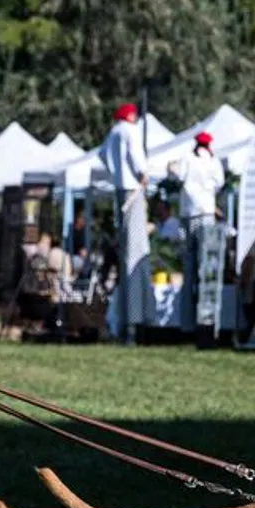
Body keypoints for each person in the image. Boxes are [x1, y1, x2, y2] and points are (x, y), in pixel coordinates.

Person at [99, 103, 151, 339]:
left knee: (127, 254)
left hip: (121, 189)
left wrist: (116, 173)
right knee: (136, 254)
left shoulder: (113, 132)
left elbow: (103, 155)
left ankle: (128, 320)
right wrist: (142, 174)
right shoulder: (130, 130)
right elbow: (137, 158)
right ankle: (134, 322)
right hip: (133, 190)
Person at [172, 131, 226, 330]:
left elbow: (178, 175)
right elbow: (219, 184)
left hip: (190, 214)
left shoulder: (188, 158)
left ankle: (187, 322)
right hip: (207, 214)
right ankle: (206, 322)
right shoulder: (214, 162)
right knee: (206, 268)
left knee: (189, 268)